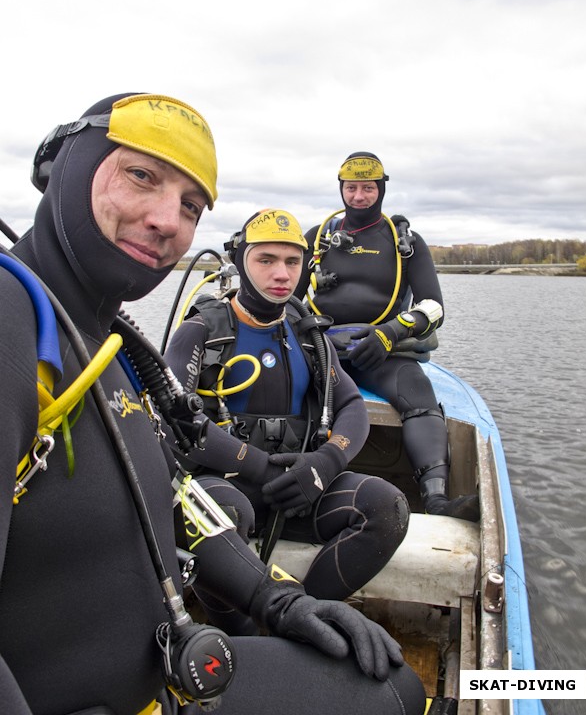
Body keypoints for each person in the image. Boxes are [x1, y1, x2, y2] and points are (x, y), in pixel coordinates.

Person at [0, 97, 425, 715]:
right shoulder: (15, 328)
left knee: (392, 685)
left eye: (191, 205)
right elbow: (194, 452)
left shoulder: (109, 345)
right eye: (141, 175)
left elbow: (170, 491)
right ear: (62, 166)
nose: (167, 220)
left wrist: (280, 600)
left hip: (167, 676)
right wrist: (254, 467)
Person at [164, 208, 410, 631]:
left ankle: (300, 619)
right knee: (223, 509)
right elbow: (172, 423)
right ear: (241, 261)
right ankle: (239, 633)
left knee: (386, 507)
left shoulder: (307, 333)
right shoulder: (202, 331)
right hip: (225, 485)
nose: (281, 273)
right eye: (266, 260)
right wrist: (256, 465)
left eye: (292, 261)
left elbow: (352, 407)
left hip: (299, 486)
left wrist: (324, 463)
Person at [294, 151, 480, 522]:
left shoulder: (405, 243)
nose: (359, 197)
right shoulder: (318, 239)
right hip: (323, 349)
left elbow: (434, 307)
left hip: (382, 353)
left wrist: (390, 334)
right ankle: (289, 484)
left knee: (419, 394)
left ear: (381, 189)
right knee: (282, 387)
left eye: (367, 188)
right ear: (341, 189)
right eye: (351, 189)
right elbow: (287, 298)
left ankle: (437, 499)